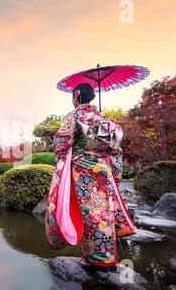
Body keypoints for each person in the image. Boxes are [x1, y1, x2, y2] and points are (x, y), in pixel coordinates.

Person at [45, 83, 137, 271]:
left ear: (76, 96)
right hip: (103, 170)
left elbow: (60, 144)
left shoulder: (76, 116)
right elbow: (115, 148)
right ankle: (107, 256)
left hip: (83, 170)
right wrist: (114, 172)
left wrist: (63, 158)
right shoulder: (104, 121)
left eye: (73, 97)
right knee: (104, 211)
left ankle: (93, 258)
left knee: (88, 212)